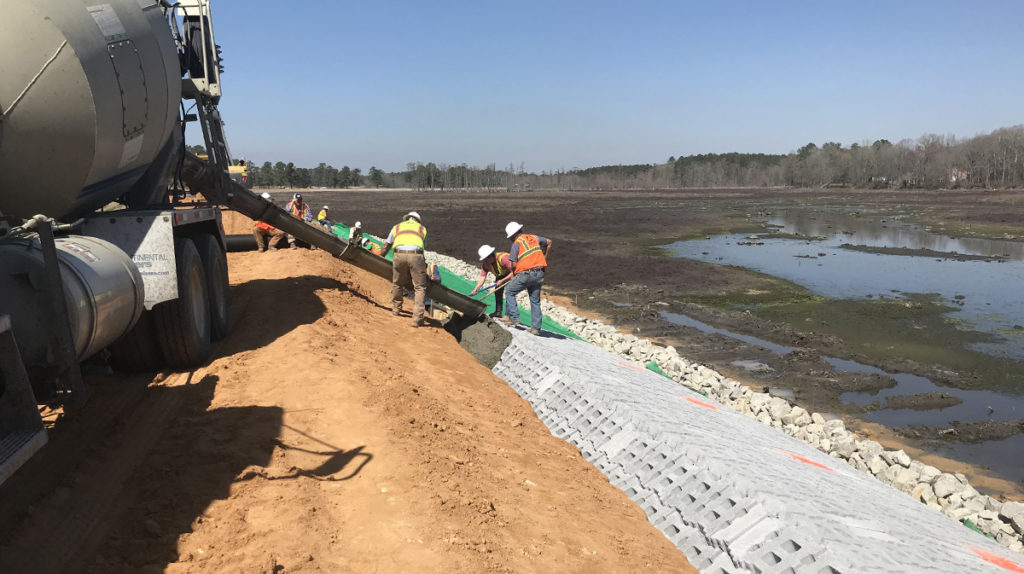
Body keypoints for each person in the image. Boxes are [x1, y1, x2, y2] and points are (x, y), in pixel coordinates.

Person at [501, 221, 552, 335]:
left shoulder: (516, 243)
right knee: (535, 301)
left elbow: (513, 264)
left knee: (509, 291)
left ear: (514, 234)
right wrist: (544, 257)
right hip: (539, 273)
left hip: (526, 274)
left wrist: (514, 274)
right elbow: (549, 242)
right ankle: (536, 328)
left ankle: (514, 318)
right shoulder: (534, 238)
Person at [379, 211, 428, 327]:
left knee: (397, 283)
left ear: (407, 219)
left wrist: (380, 257)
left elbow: (387, 245)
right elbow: (422, 247)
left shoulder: (397, 227)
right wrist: (422, 265)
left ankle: (396, 310)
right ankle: (418, 318)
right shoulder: (422, 228)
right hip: (416, 255)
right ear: (417, 220)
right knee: (420, 287)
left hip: (399, 255)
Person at [471, 244, 513, 319]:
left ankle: (509, 316)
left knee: (510, 292)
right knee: (498, 291)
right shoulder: (486, 264)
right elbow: (482, 277)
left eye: (486, 259)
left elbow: (515, 271)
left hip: (514, 273)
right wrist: (476, 288)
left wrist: (503, 280)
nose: (485, 261)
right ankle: (498, 312)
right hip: (502, 275)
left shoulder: (503, 258)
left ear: (491, 255)